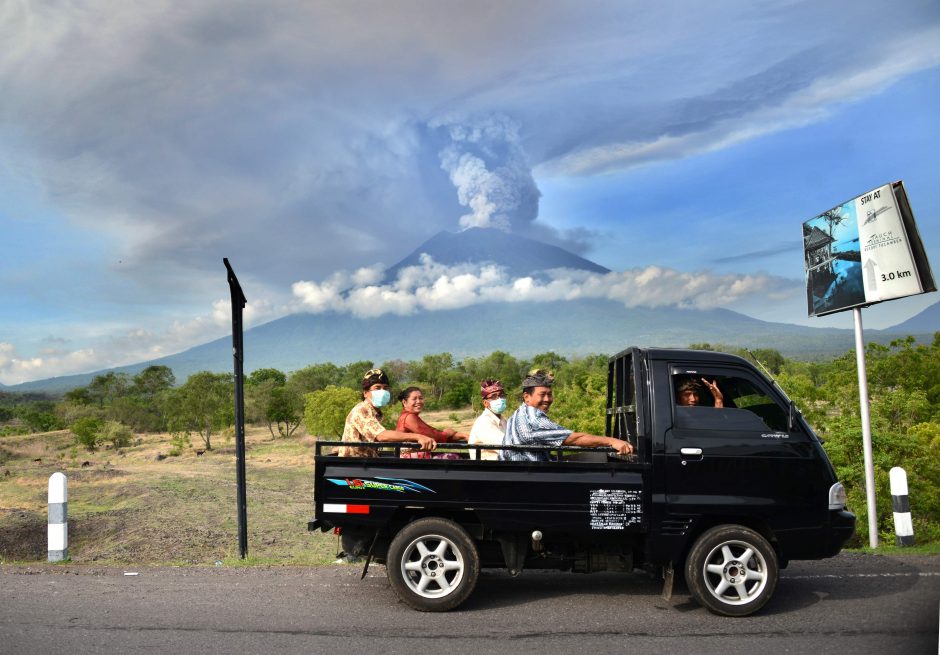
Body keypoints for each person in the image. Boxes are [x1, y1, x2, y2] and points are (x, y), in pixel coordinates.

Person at [500, 369, 634, 462]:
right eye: (542, 395)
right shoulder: (533, 419)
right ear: (527, 397)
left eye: (550, 394)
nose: (547, 399)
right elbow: (574, 439)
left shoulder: (518, 413)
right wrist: (612, 441)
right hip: (530, 477)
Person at [338, 369, 438, 458]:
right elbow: (382, 436)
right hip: (354, 466)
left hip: (367, 462)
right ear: (365, 393)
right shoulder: (361, 410)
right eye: (377, 388)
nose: (382, 391)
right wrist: (418, 437)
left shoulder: (375, 412)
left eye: (385, 388)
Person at [396, 386, 468, 459]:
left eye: (420, 398)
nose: (418, 401)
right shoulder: (408, 417)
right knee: (454, 458)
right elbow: (433, 436)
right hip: (412, 462)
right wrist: (447, 433)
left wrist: (461, 435)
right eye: (414, 399)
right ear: (404, 402)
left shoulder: (410, 416)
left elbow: (433, 432)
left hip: (418, 459)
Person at [468, 378, 508, 461]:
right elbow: (506, 446)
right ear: (485, 403)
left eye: (501, 395)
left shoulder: (502, 420)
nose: (500, 399)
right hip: (489, 468)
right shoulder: (484, 422)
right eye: (494, 396)